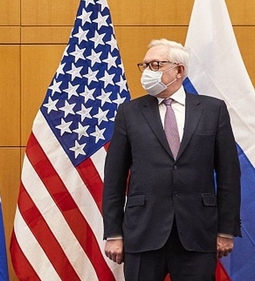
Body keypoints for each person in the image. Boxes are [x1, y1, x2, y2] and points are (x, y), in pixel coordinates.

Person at [102, 39, 241, 280]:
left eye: (155, 65)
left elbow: (229, 174)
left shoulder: (212, 110)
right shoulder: (129, 113)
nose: (147, 72)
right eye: (144, 66)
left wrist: (226, 230)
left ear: (179, 70)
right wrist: (113, 233)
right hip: (143, 232)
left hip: (197, 232)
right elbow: (114, 177)